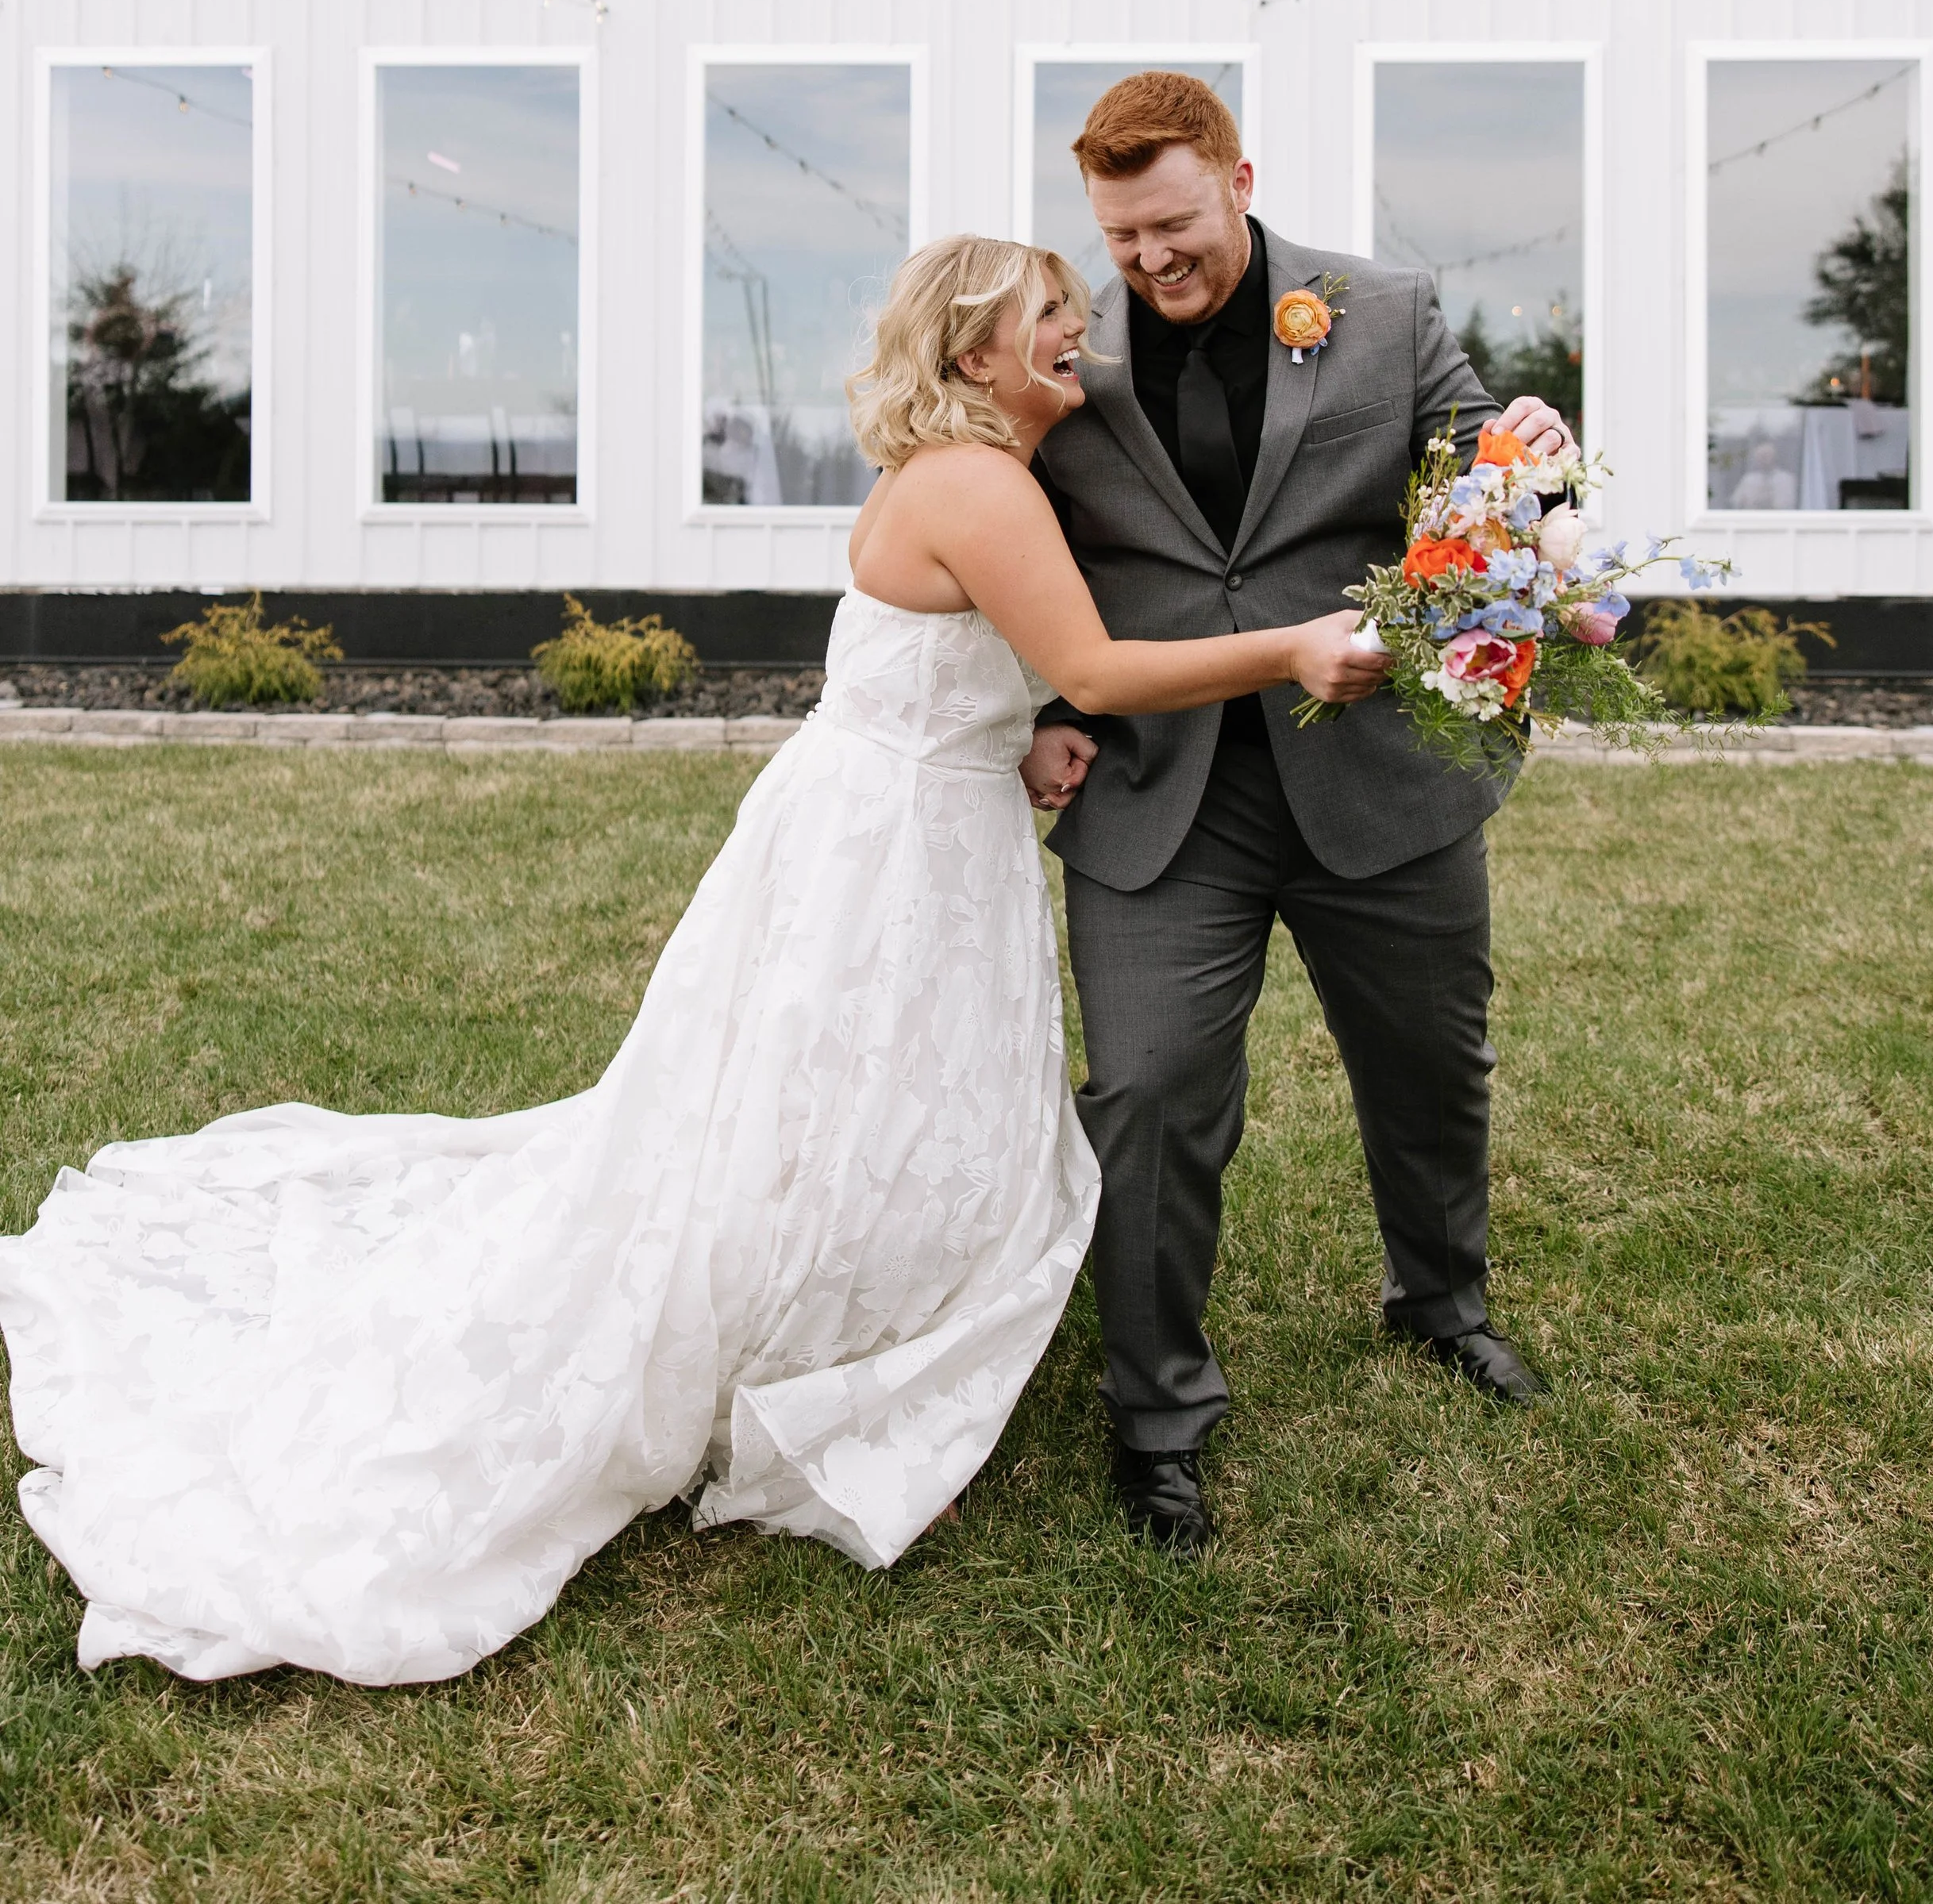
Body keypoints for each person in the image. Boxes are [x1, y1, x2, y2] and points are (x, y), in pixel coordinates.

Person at [0, 233, 1373, 1687]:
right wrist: (1288, 649)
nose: (1078, 338)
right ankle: (821, 1388)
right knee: (850, 1114)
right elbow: (1091, 665)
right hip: (887, 854)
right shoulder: (978, 480)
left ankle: (838, 1354)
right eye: (1052, 316)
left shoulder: (966, 477)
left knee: (852, 1113)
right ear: (974, 354)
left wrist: (1007, 730)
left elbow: (933, 665)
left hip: (895, 819)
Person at [1020, 73, 1577, 1556]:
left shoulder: (1385, 310)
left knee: (1428, 1054)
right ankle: (1156, 1416)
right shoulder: (1061, 350)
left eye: (1174, 223)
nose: (1149, 260)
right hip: (1160, 792)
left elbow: (1476, 473)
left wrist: (1535, 467)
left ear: (1240, 178)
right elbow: (1014, 537)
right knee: (1143, 1090)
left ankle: (1441, 1299)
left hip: (1378, 771)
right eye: (1121, 234)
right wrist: (1049, 705)